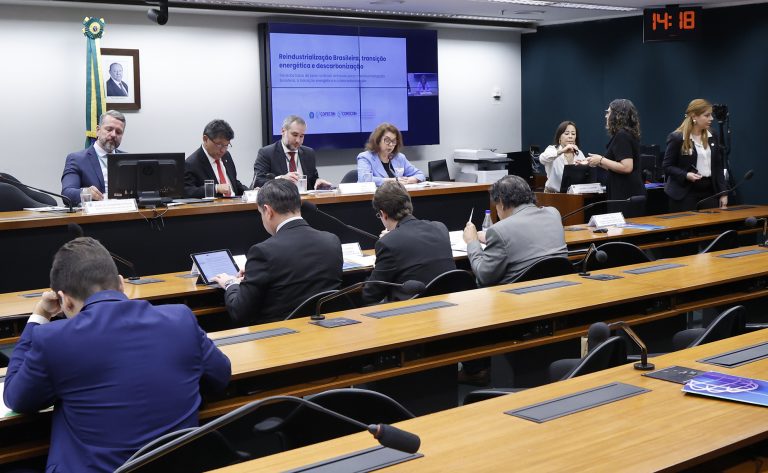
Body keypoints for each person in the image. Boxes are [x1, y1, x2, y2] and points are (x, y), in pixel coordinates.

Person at [2, 237, 231, 473]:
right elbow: (221, 376)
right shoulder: (180, 318)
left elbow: (16, 398)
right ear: (121, 284)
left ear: (65, 301)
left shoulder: (53, 339)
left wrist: (40, 316)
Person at [211, 179, 343, 324]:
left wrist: (230, 283)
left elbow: (239, 313)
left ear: (268, 211)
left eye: (260, 213)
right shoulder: (332, 241)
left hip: (282, 333)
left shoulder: (263, 252)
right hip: (325, 328)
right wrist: (254, 273)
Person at [463, 175, 567, 286]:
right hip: (559, 287)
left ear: (501, 203)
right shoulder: (553, 213)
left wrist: (472, 242)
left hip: (516, 293)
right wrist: (491, 238)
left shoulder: (499, 230)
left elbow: (484, 276)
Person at [362, 181, 456, 304]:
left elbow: (370, 295)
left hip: (412, 309)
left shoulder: (387, 243)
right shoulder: (440, 228)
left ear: (383, 214)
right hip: (448, 305)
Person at [662, 99, 728, 212]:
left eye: (711, 115)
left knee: (711, 223)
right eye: (706, 115)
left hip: (709, 192)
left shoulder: (713, 135)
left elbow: (718, 167)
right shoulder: (677, 138)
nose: (711, 118)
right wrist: (686, 174)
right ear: (694, 116)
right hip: (684, 193)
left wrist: (723, 193)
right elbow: (667, 166)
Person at [585, 99, 647, 217]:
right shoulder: (626, 134)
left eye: (608, 112)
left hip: (625, 193)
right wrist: (596, 161)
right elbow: (615, 166)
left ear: (617, 115)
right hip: (624, 191)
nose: (606, 116)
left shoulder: (622, 135)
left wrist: (601, 159)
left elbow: (626, 167)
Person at [61, 109, 126, 204]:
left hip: (126, 211)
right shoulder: (77, 159)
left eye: (118, 132)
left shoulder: (127, 159)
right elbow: (67, 194)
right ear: (98, 130)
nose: (113, 135)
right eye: (109, 129)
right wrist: (86, 193)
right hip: (96, 212)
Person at [253, 115, 331, 190]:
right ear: (283, 131)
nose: (298, 140)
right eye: (294, 135)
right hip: (280, 198)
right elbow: (258, 182)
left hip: (305, 198)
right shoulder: (266, 153)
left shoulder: (309, 153)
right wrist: (281, 179)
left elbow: (313, 179)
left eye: (301, 136)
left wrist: (318, 182)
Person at [184, 119, 248, 198]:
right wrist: (215, 188)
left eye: (226, 145)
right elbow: (188, 192)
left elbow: (233, 183)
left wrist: (251, 192)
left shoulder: (226, 156)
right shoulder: (191, 163)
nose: (223, 150)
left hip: (235, 202)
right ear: (205, 139)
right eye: (219, 145)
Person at [357, 123, 425, 186]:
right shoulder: (365, 157)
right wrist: (394, 181)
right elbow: (364, 180)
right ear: (378, 140)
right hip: (375, 195)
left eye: (394, 141)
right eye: (387, 140)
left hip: (398, 194)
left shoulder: (399, 157)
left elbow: (420, 175)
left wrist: (409, 180)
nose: (391, 144)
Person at [539, 120, 588, 193]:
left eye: (573, 134)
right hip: (553, 194)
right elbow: (542, 159)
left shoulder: (579, 153)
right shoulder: (552, 149)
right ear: (559, 137)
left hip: (573, 195)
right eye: (566, 133)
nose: (570, 136)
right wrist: (562, 151)